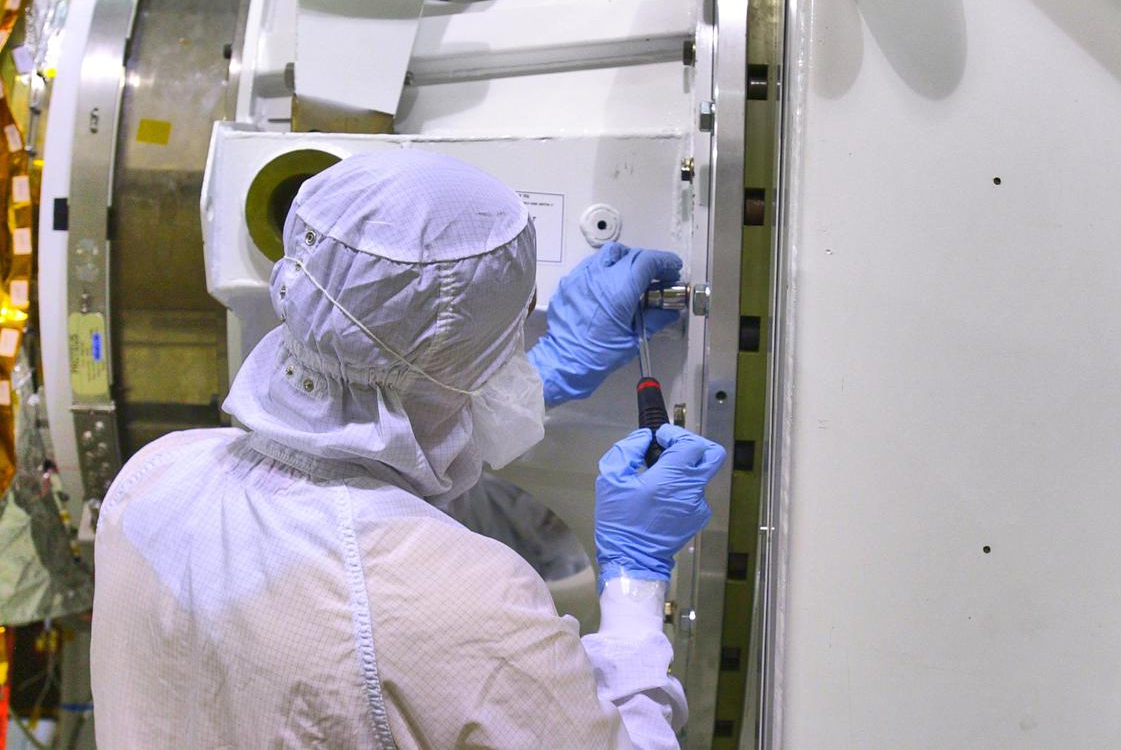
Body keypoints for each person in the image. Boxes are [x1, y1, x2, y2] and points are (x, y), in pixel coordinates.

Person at [90, 150, 726, 749]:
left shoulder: (153, 476)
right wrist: (635, 586)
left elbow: (375, 445)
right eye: (515, 322)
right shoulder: (465, 600)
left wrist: (550, 371)